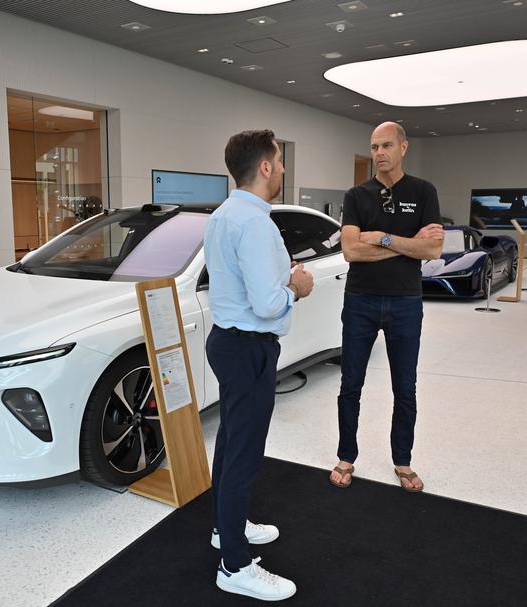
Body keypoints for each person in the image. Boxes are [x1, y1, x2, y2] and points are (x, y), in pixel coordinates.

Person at [204, 129, 313, 601]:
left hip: (228, 343)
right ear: (265, 167)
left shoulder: (224, 215)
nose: (283, 169)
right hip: (248, 347)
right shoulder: (254, 223)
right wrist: (297, 287)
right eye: (280, 161)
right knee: (243, 454)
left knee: (231, 441)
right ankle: (234, 565)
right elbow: (268, 304)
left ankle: (224, 527)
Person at [329, 121, 444, 493]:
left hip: (405, 303)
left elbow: (433, 249)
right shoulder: (356, 195)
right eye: (374, 146)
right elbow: (350, 251)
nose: (379, 153)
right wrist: (406, 244)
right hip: (360, 301)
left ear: (404, 148)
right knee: (350, 385)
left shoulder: (424, 192)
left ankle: (403, 460)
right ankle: (347, 455)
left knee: (405, 387)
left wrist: (381, 238)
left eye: (387, 145)